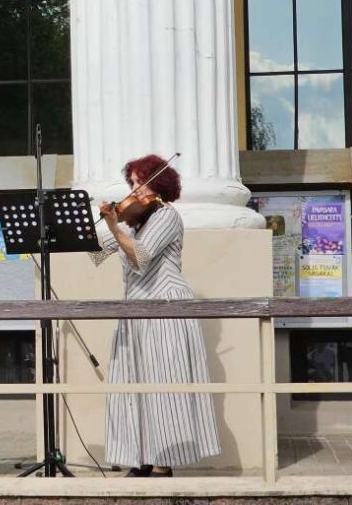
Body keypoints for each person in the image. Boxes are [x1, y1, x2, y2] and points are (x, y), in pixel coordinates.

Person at [95, 154, 221, 477]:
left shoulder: (166, 216)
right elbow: (95, 252)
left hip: (165, 308)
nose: (134, 189)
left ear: (158, 184)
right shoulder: (134, 223)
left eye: (141, 182)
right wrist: (84, 227)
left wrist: (115, 227)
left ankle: (163, 463)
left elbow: (142, 257)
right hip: (135, 310)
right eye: (132, 183)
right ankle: (142, 458)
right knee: (133, 384)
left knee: (163, 386)